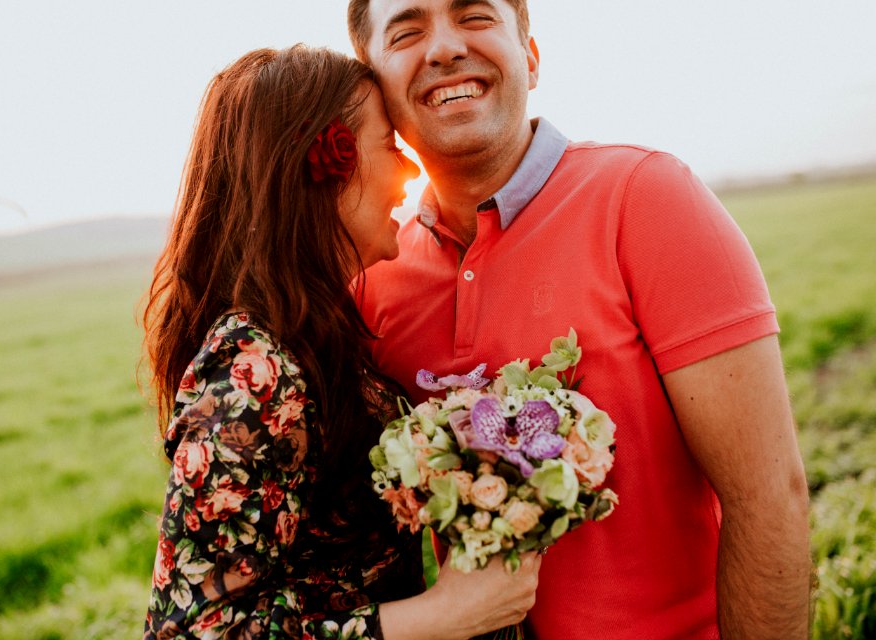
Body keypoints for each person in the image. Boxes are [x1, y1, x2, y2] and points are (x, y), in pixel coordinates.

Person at [347, 1, 812, 638]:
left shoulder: (647, 198)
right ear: (371, 85)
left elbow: (767, 499)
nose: (445, 48)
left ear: (531, 59)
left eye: (475, 16)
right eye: (407, 31)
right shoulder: (374, 278)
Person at [141, 44, 541, 640]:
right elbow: (192, 631)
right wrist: (444, 616)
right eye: (388, 144)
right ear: (325, 165)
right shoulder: (256, 367)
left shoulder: (312, 332)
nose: (409, 169)